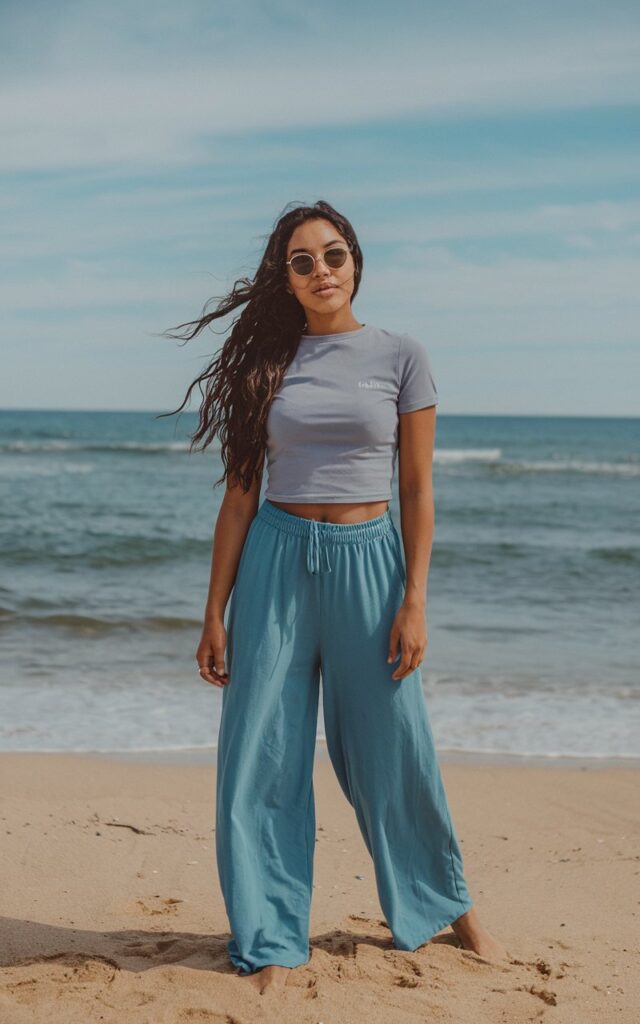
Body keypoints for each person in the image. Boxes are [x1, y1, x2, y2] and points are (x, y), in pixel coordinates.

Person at [162, 200, 509, 994]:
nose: (321, 270)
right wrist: (213, 610)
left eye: (333, 254)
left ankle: (447, 907)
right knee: (261, 757)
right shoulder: (264, 366)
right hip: (275, 563)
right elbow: (239, 499)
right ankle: (269, 936)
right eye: (302, 261)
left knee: (396, 746)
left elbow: (416, 489)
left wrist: (414, 598)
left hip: (369, 564)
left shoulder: (402, 356)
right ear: (285, 279)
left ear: (355, 262)